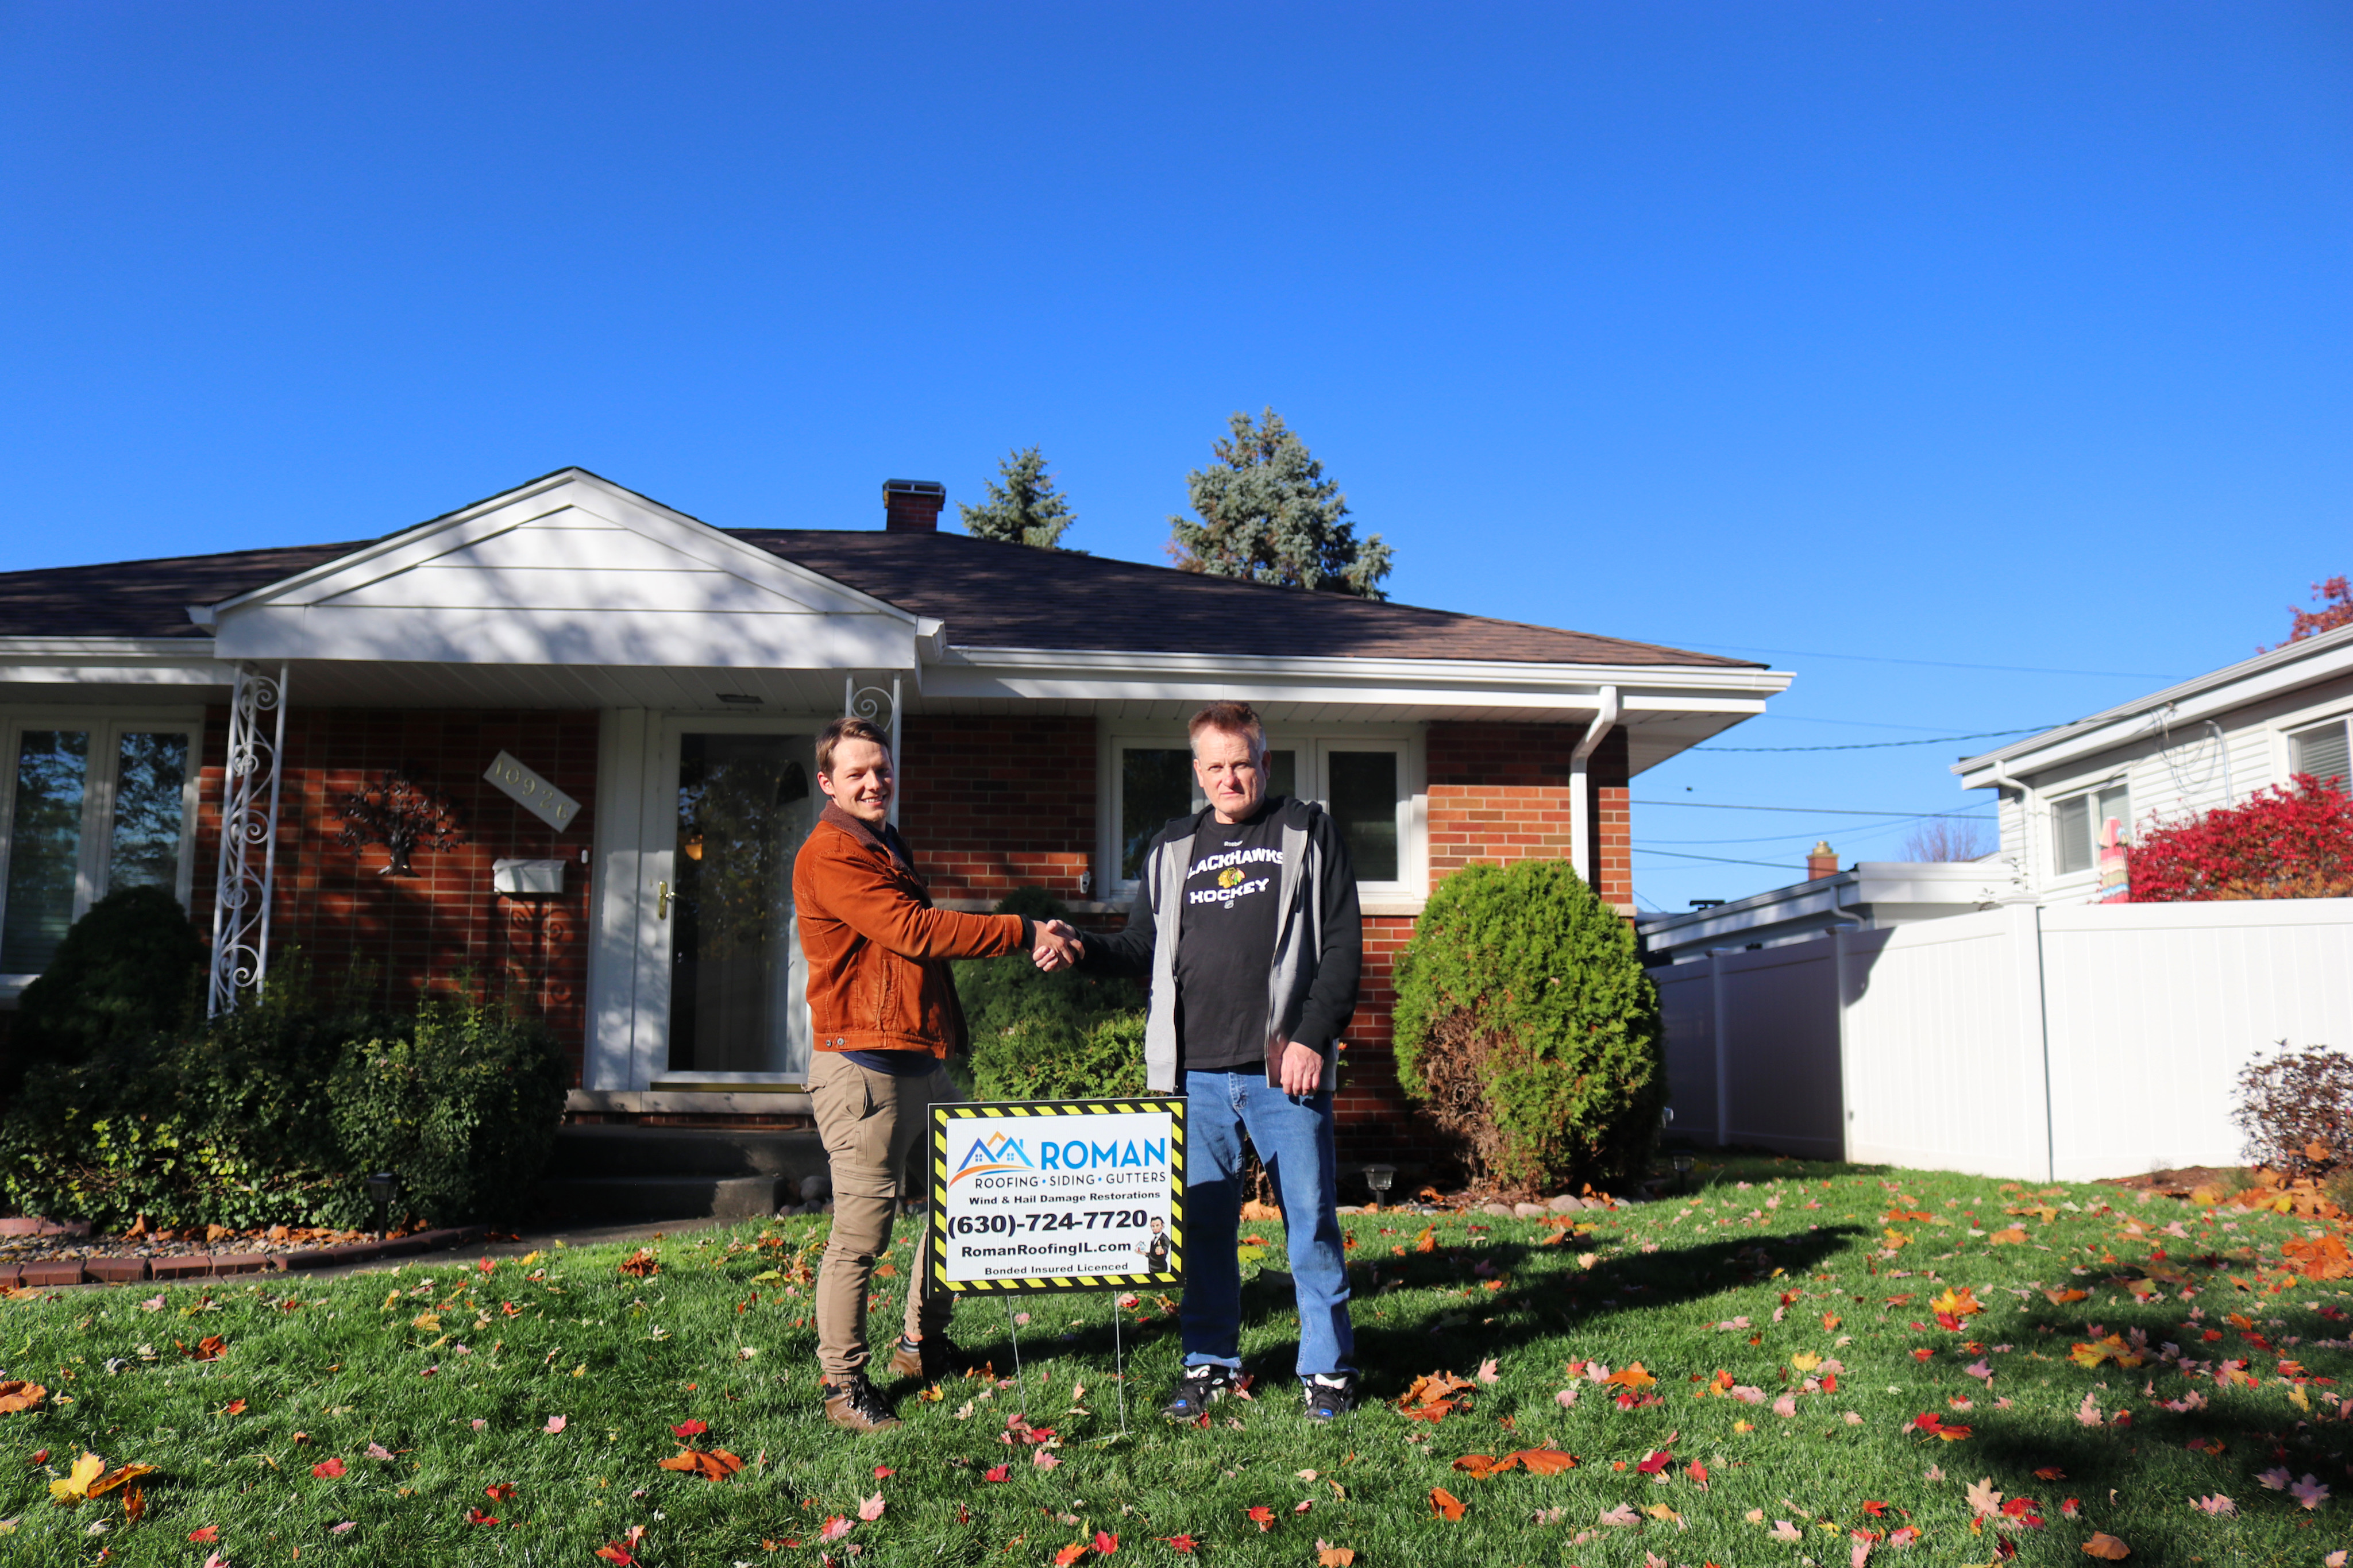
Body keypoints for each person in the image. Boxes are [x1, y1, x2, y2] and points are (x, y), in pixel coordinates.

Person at [1045, 701, 1363, 1420]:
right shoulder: (1171, 848)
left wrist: (1313, 1036)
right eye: (1214, 766)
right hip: (1193, 1075)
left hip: (1284, 1070)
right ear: (1198, 771)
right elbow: (1137, 950)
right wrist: (1080, 947)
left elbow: (1342, 945)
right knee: (1205, 1225)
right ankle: (1211, 1363)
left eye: (1241, 763)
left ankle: (1329, 1373)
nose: (1229, 778)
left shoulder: (1306, 833)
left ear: (1265, 763)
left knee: (1309, 1223)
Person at [794, 715, 1079, 1431]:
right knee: (862, 1234)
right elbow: (915, 932)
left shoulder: (883, 842)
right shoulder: (831, 853)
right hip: (861, 1065)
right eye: (855, 772)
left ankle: (921, 1342)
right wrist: (1021, 930)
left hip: (915, 1058)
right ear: (827, 782)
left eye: (880, 769)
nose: (872, 781)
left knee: (967, 1200)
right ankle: (843, 1388)